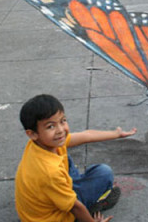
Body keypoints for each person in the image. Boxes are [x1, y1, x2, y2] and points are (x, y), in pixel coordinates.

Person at [15, 94, 136, 222]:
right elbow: (75, 207)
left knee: (65, 156)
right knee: (104, 173)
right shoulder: (49, 171)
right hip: (55, 218)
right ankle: (91, 207)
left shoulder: (41, 144)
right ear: (32, 134)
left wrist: (116, 134)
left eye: (63, 121)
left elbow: (85, 135)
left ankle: (77, 189)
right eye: (50, 126)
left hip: (43, 203)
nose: (60, 130)